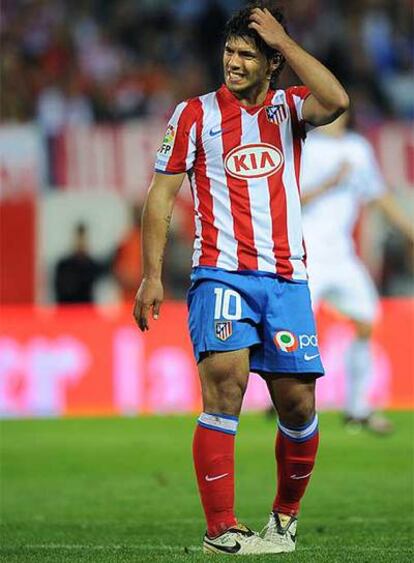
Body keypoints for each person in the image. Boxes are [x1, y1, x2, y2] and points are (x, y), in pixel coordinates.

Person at [133, 1, 349, 555]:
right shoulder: (192, 115)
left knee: (298, 405)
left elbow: (337, 100)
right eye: (229, 51)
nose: (233, 62)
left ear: (272, 62)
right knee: (225, 386)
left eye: (247, 54)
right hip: (219, 274)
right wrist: (151, 276)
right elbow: (160, 196)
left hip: (286, 279)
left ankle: (283, 520)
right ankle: (221, 528)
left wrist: (284, 39)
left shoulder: (289, 107)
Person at [301, 112, 414, 434]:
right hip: (307, 251)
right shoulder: (304, 147)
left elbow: (377, 196)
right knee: (298, 330)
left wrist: (409, 231)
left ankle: (358, 408)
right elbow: (289, 200)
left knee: (366, 321)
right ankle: (287, 401)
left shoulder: (358, 148)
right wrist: (329, 183)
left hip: (342, 254)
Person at [54, 222, 106, 304]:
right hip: (68, 311)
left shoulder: (92, 266)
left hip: (86, 312)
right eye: (79, 239)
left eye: (83, 240)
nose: (81, 243)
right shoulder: (63, 266)